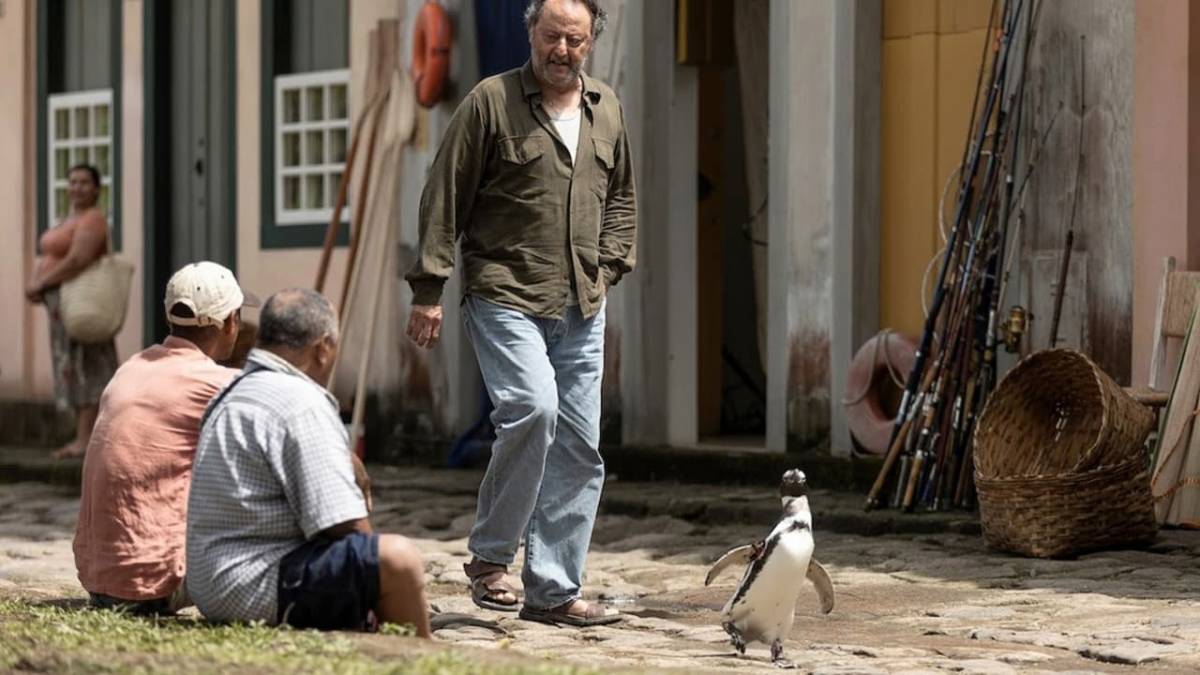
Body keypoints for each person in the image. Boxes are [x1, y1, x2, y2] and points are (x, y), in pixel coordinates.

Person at [404, 0, 637, 626]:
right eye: (553, 36)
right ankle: (489, 558)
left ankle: (554, 591)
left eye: (577, 40)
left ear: (593, 43)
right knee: (534, 409)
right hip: (505, 292)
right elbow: (443, 193)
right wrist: (429, 288)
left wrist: (608, 267)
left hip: (584, 304)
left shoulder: (606, 108)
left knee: (581, 448)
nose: (563, 50)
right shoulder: (490, 102)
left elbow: (621, 202)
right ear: (530, 31)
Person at [186, 289, 431, 636]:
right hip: (252, 585)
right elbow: (346, 525)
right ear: (323, 348)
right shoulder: (301, 402)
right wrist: (376, 586)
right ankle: (423, 658)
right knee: (397, 559)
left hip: (211, 584)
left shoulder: (232, 390)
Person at [73, 261, 253, 614]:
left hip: (97, 578)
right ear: (231, 322)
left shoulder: (132, 367)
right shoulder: (216, 383)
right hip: (152, 585)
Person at [25, 164, 119, 459]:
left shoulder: (93, 219)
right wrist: (38, 283)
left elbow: (79, 258)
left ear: (96, 188)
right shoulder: (69, 218)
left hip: (83, 305)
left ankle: (86, 439)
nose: (77, 187)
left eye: (84, 182)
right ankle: (82, 437)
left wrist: (42, 281)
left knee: (87, 365)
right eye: (73, 182)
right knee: (72, 365)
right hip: (63, 304)